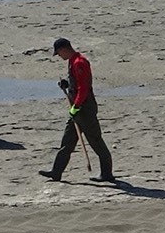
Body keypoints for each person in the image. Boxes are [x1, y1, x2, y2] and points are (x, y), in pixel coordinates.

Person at [41, 38, 115, 182]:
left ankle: (107, 174)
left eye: (59, 53)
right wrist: (66, 85)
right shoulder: (72, 61)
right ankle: (56, 172)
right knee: (67, 141)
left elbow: (84, 88)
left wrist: (76, 107)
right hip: (77, 109)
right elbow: (76, 84)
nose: (59, 56)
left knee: (96, 141)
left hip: (85, 109)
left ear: (64, 49)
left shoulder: (79, 62)